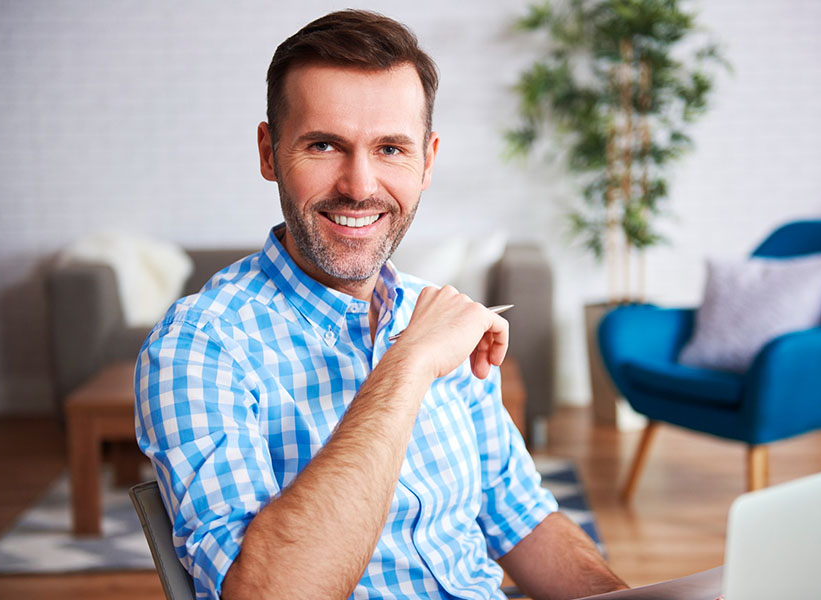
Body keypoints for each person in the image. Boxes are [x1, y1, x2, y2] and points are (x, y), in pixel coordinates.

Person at [135, 9, 628, 600]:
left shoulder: (434, 313)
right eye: (323, 145)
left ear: (427, 160)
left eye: (391, 148)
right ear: (269, 153)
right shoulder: (199, 346)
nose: (360, 185)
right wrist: (409, 362)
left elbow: (523, 518)